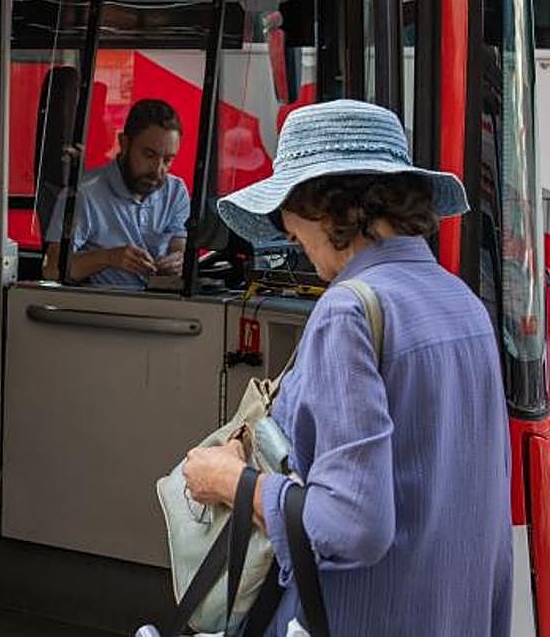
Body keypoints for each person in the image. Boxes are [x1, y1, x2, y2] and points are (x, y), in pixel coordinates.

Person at [181, 100, 511, 635]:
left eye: (286, 204)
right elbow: (488, 525)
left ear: (327, 205)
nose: (286, 232)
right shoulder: (463, 303)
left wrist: (230, 480)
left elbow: (352, 526)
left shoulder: (349, 311)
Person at [42, 98, 190, 289]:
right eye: (149, 155)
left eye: (168, 160)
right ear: (124, 143)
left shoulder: (176, 191)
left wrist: (178, 261)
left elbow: (179, 244)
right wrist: (109, 258)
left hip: (165, 307)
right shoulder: (83, 195)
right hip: (106, 311)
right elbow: (51, 269)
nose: (158, 170)